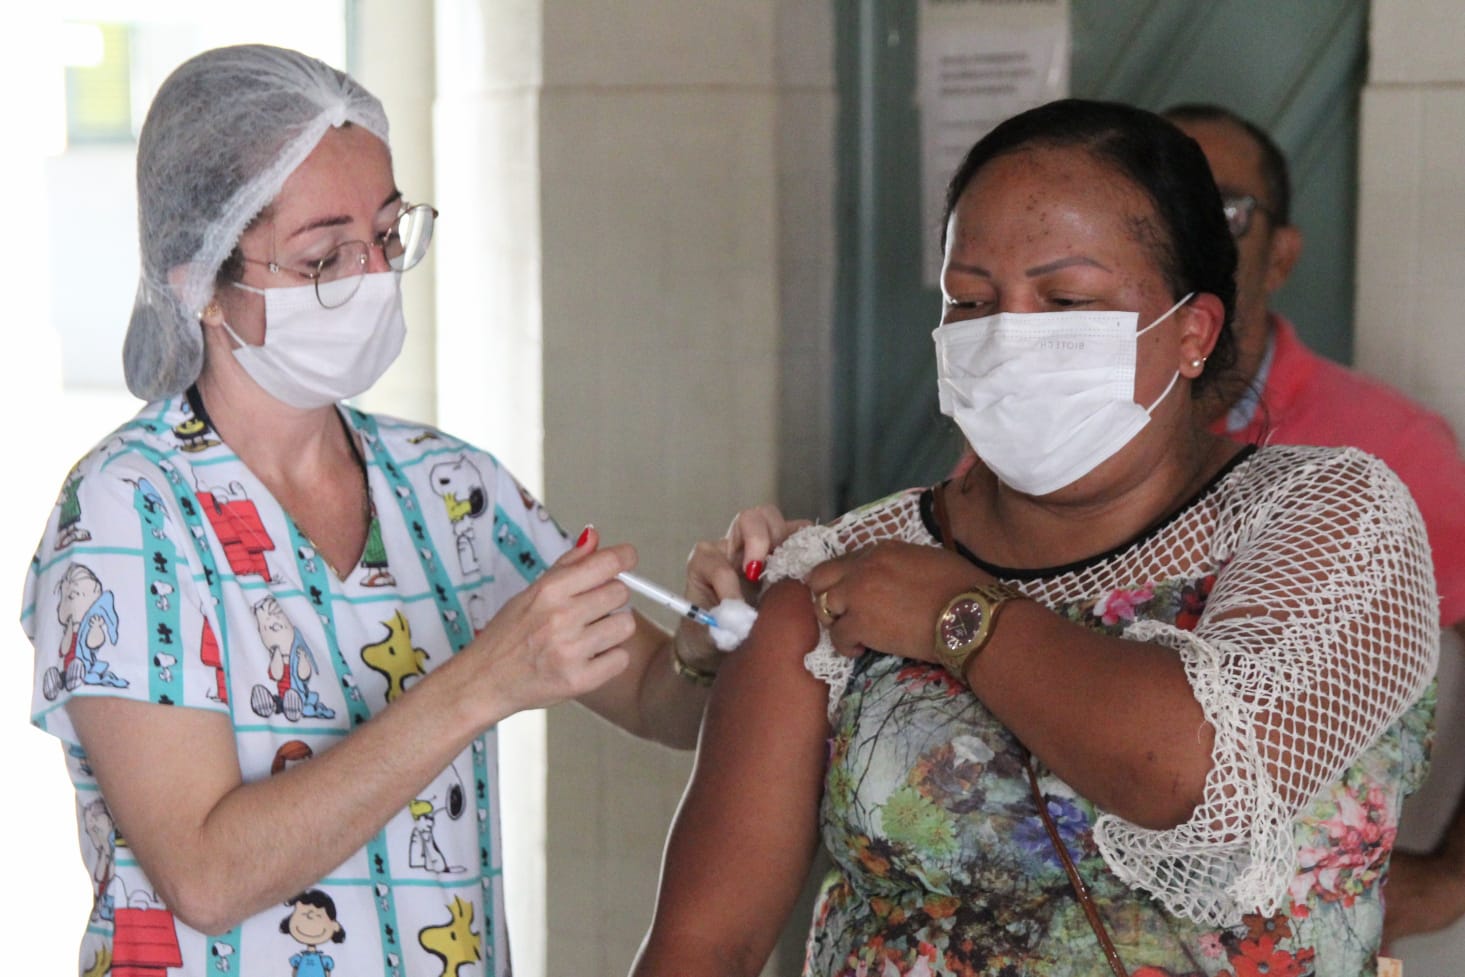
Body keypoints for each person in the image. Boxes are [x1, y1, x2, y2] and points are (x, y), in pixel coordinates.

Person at [21, 44, 792, 977]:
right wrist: (484, 681)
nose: (375, 276)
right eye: (323, 257)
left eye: (388, 235)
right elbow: (208, 874)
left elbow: (656, 702)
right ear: (198, 283)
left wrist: (718, 637)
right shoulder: (125, 510)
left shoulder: (447, 486)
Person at [630, 99, 1438, 977]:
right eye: (971, 300)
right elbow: (706, 944)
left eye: (1065, 298)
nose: (1009, 336)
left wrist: (956, 613)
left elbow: (1192, 774)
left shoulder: (1328, 515)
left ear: (1192, 332)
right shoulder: (840, 576)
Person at [1161, 103, 1465, 944]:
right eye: (1152, 199)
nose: (1186, 231)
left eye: (1221, 207)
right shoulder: (1055, 438)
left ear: (1281, 253)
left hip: (1297, 938)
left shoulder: (1391, 444)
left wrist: (1451, 875)